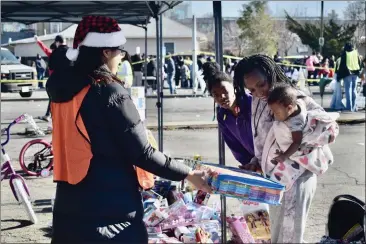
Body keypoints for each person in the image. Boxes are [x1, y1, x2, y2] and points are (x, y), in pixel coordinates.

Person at [47, 16, 211, 244]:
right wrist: (189, 174)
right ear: (105, 52)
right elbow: (142, 153)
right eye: (119, 51)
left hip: (69, 206)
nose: (121, 56)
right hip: (110, 210)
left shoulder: (61, 90)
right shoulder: (109, 91)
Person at [234, 54, 338, 243]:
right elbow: (261, 138)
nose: (258, 92)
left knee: (290, 238)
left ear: (269, 74)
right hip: (275, 180)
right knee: (277, 236)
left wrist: (296, 140)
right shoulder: (258, 102)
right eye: (251, 89)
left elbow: (329, 128)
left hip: (298, 178)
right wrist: (255, 162)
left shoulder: (292, 96)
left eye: (261, 84)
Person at [267, 85, 338, 165]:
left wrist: (284, 156)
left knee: (315, 149)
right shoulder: (299, 102)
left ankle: (325, 159)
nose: (274, 115)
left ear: (289, 108)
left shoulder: (295, 123)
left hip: (312, 136)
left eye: (277, 113)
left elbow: (296, 142)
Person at [202, 62, 254, 167]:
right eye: (215, 95)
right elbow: (234, 145)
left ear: (234, 88)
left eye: (225, 91)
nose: (221, 97)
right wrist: (249, 164)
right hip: (253, 165)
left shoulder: (252, 103)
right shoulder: (222, 116)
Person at [336, 42, 362, 112]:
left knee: (348, 90)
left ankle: (349, 107)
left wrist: (339, 76)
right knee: (354, 90)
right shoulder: (356, 53)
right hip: (355, 73)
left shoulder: (345, 53)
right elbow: (360, 62)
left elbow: (342, 65)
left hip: (347, 74)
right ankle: (353, 107)